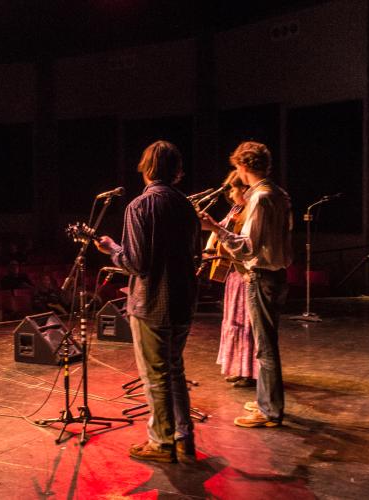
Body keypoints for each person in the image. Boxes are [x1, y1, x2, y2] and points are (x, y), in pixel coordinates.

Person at [94, 140, 200, 464]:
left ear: (147, 167)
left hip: (152, 302)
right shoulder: (186, 206)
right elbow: (194, 255)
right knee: (175, 370)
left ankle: (161, 441)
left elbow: (137, 264)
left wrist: (113, 248)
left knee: (155, 375)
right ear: (175, 170)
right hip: (184, 301)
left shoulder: (139, 207)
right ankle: (184, 438)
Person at [199, 141, 294, 428]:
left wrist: (215, 228)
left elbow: (249, 246)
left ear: (242, 167)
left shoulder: (260, 198)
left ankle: (270, 412)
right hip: (276, 275)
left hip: (261, 276)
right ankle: (267, 401)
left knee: (265, 346)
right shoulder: (280, 194)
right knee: (265, 343)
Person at [208, 171, 257, 388]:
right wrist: (209, 247)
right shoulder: (236, 210)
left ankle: (250, 371)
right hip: (233, 275)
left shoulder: (250, 211)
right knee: (234, 321)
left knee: (246, 323)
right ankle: (238, 368)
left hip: (245, 274)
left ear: (244, 189)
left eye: (233, 188)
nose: (230, 193)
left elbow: (243, 242)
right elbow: (218, 226)